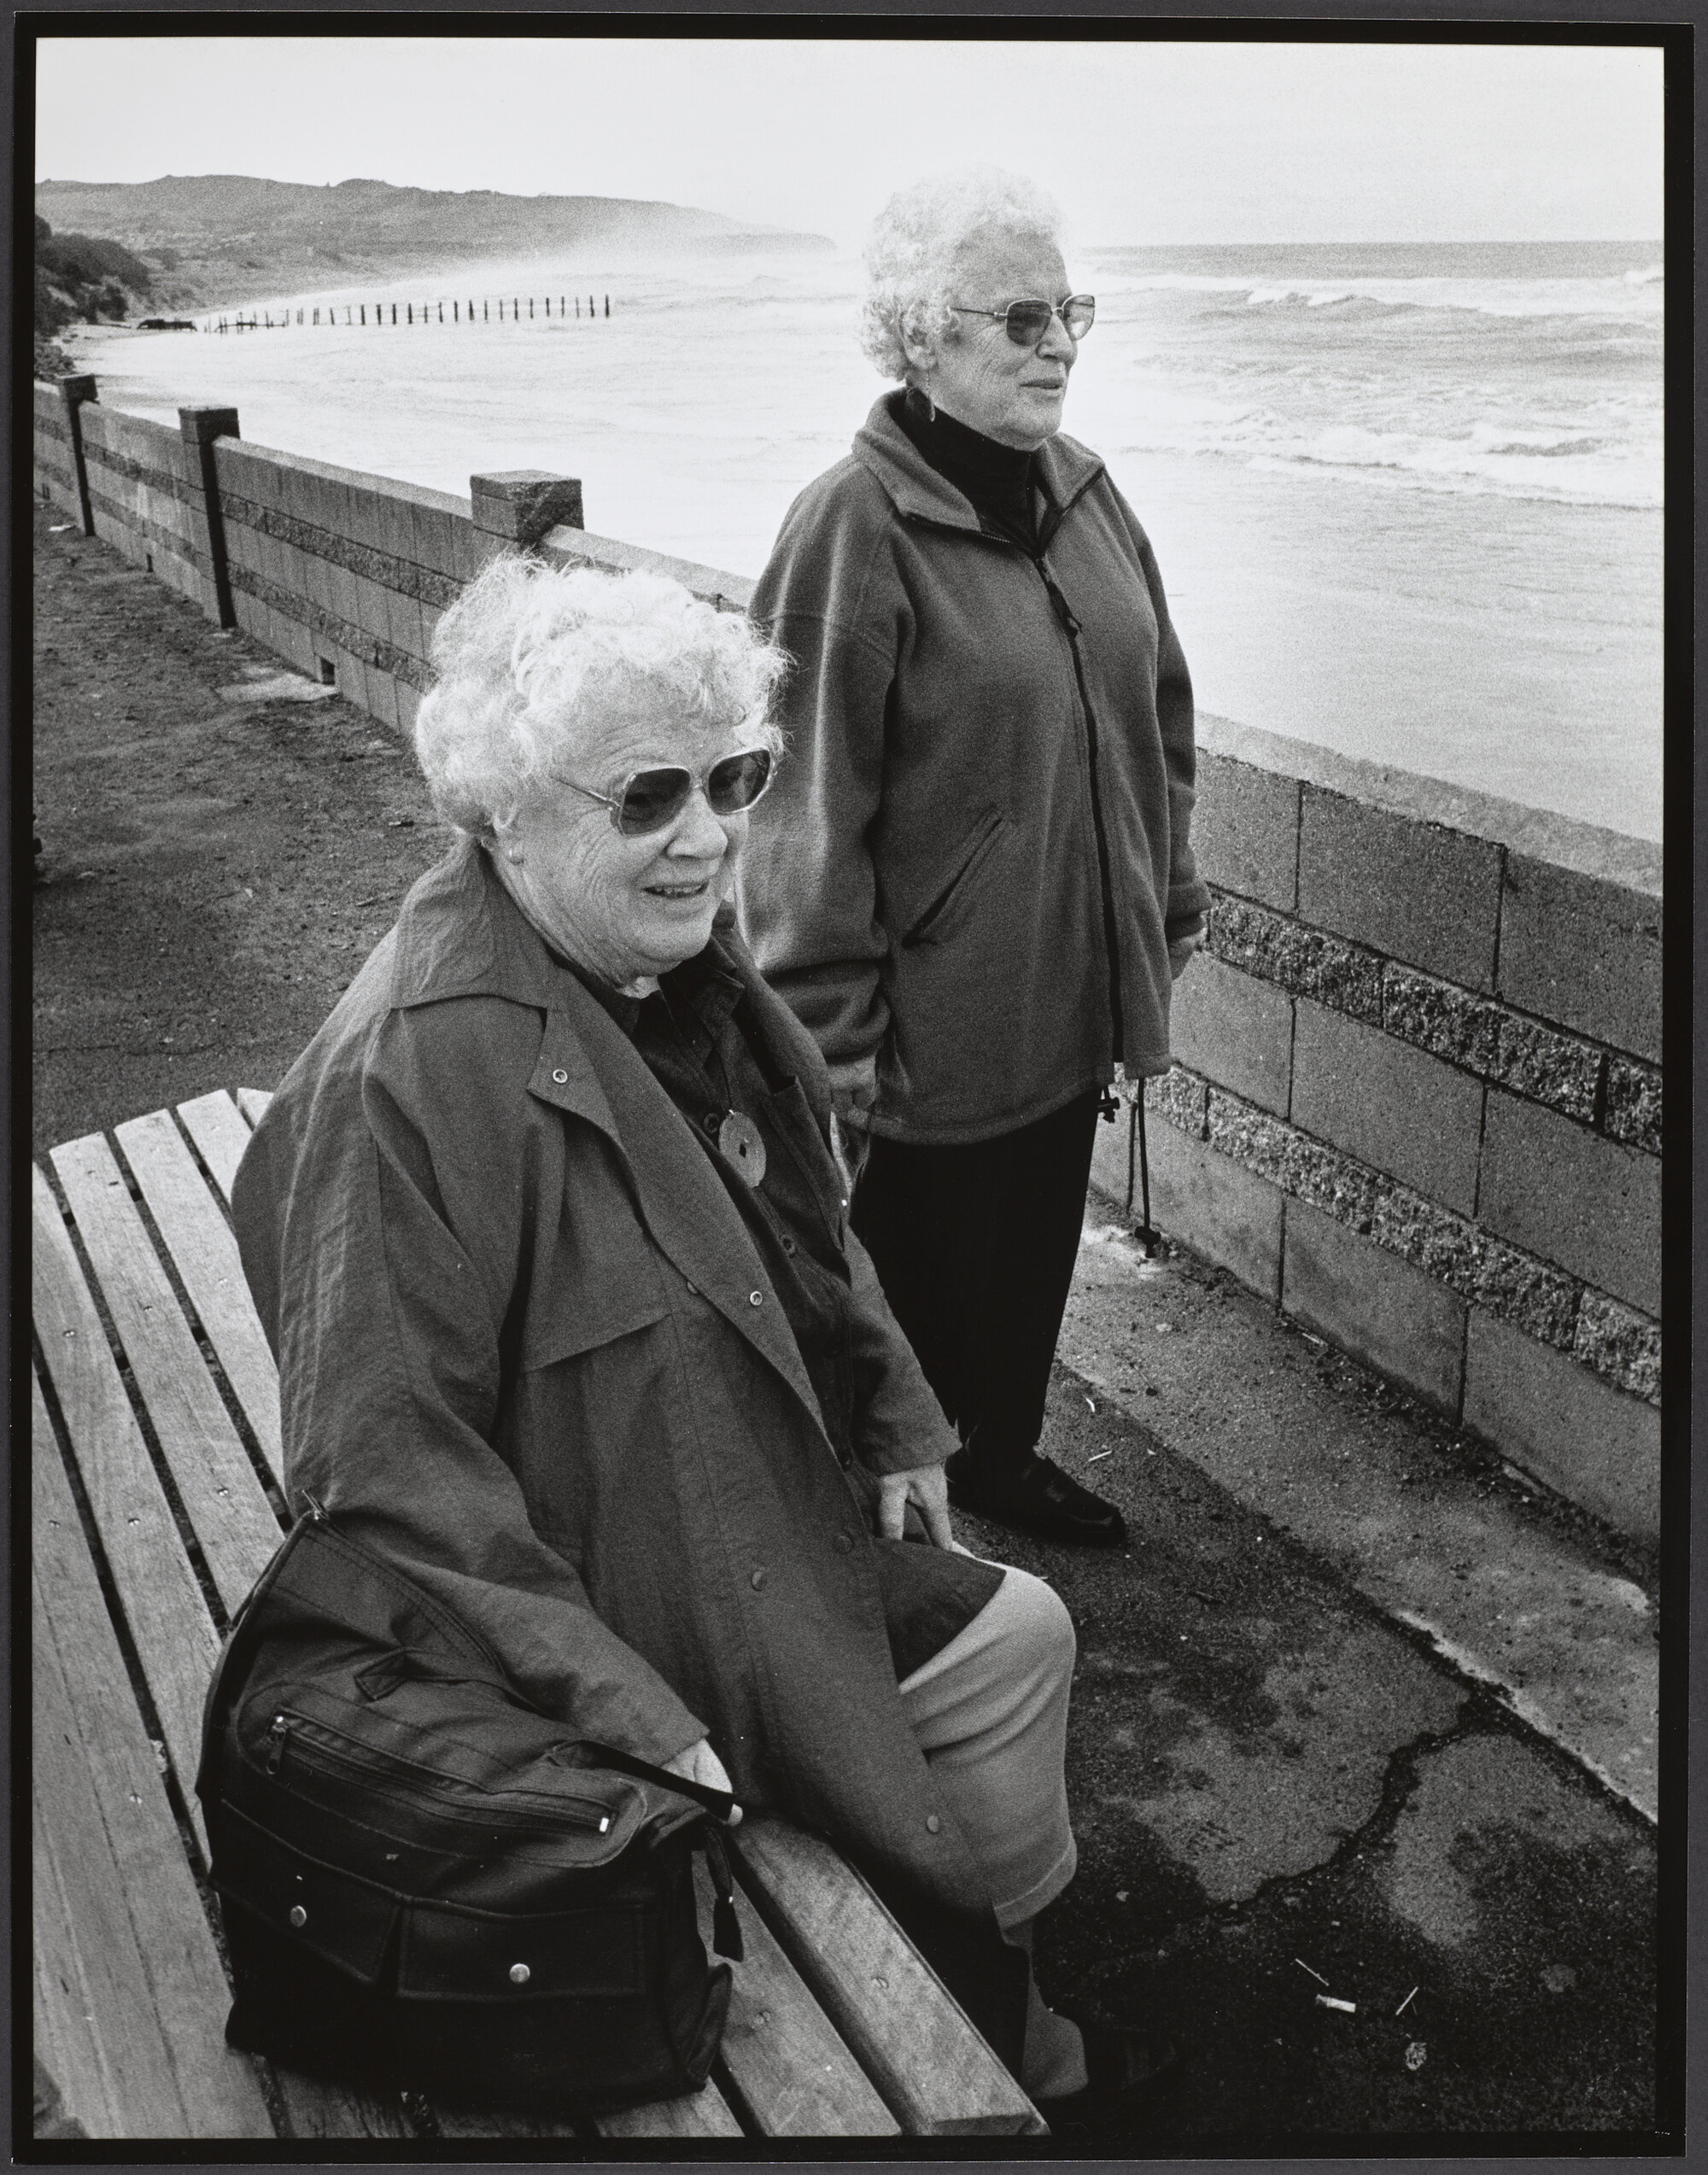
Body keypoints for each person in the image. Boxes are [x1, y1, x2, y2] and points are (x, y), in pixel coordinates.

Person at [231, 556, 1172, 2121]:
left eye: (732, 778)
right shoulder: (413, 1080)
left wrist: (893, 1420)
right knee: (1013, 1647)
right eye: (648, 797)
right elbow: (382, 1474)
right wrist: (630, 1715)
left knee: (1006, 1643)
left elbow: (806, 1231)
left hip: (727, 1501)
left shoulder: (666, 971)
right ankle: (1001, 2043)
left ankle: (992, 1991)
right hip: (610, 1601)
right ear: (505, 814)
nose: (714, 836)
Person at [736, 170, 1208, 1550]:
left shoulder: (1090, 496)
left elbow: (1157, 718)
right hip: (929, 1039)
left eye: (1070, 309)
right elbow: (799, 799)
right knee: (915, 1305)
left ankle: (1001, 1456)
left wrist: (1163, 913)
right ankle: (893, 1549)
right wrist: (832, 1044)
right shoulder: (853, 527)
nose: (1057, 340)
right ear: (919, 335)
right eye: (1020, 315)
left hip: (1077, 1003)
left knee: (1033, 1267)